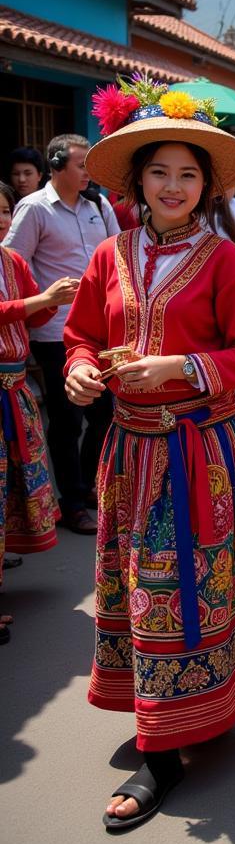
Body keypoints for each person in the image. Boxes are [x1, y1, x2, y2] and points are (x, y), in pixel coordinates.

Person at [63, 79, 235, 831]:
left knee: (188, 582)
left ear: (206, 187)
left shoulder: (226, 259)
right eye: (160, 172)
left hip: (202, 452)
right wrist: (77, 368)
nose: (174, 186)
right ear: (137, 180)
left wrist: (179, 369)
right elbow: (80, 333)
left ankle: (166, 746)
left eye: (189, 174)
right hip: (129, 454)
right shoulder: (109, 255)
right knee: (145, 584)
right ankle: (171, 714)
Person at [3, 132, 120, 534]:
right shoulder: (33, 209)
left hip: (103, 329)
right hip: (55, 329)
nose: (88, 172)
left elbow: (117, 255)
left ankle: (86, 485)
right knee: (68, 418)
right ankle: (70, 500)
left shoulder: (100, 205)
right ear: (55, 165)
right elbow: (13, 263)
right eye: (81, 164)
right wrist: (41, 301)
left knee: (104, 414)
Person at [0, 182, 74, 644]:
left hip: (14, 385)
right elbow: (28, 306)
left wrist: (59, 303)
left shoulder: (14, 262)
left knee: (11, 485)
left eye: (5, 211)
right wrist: (42, 301)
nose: (2, 220)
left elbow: (33, 315)